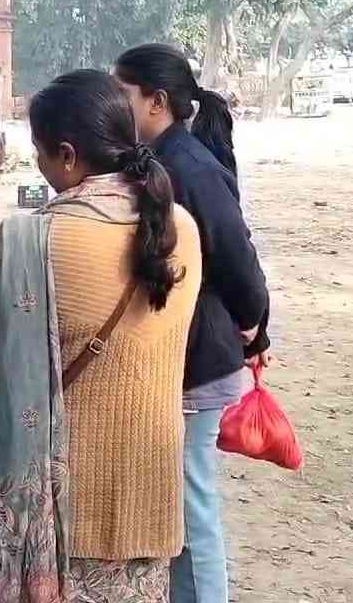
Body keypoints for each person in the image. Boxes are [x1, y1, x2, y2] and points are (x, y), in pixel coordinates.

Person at [0, 69, 202, 602]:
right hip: (149, 493)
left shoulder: (31, 238)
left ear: (67, 156)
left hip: (57, 513)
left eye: (40, 153)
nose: (40, 168)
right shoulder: (180, 226)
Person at [113, 43, 272, 603]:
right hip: (176, 355)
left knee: (190, 503)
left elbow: (237, 254)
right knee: (176, 503)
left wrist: (256, 326)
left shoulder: (188, 166)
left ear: (156, 101)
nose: (114, 103)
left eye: (122, 92)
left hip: (200, 356)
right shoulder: (157, 159)